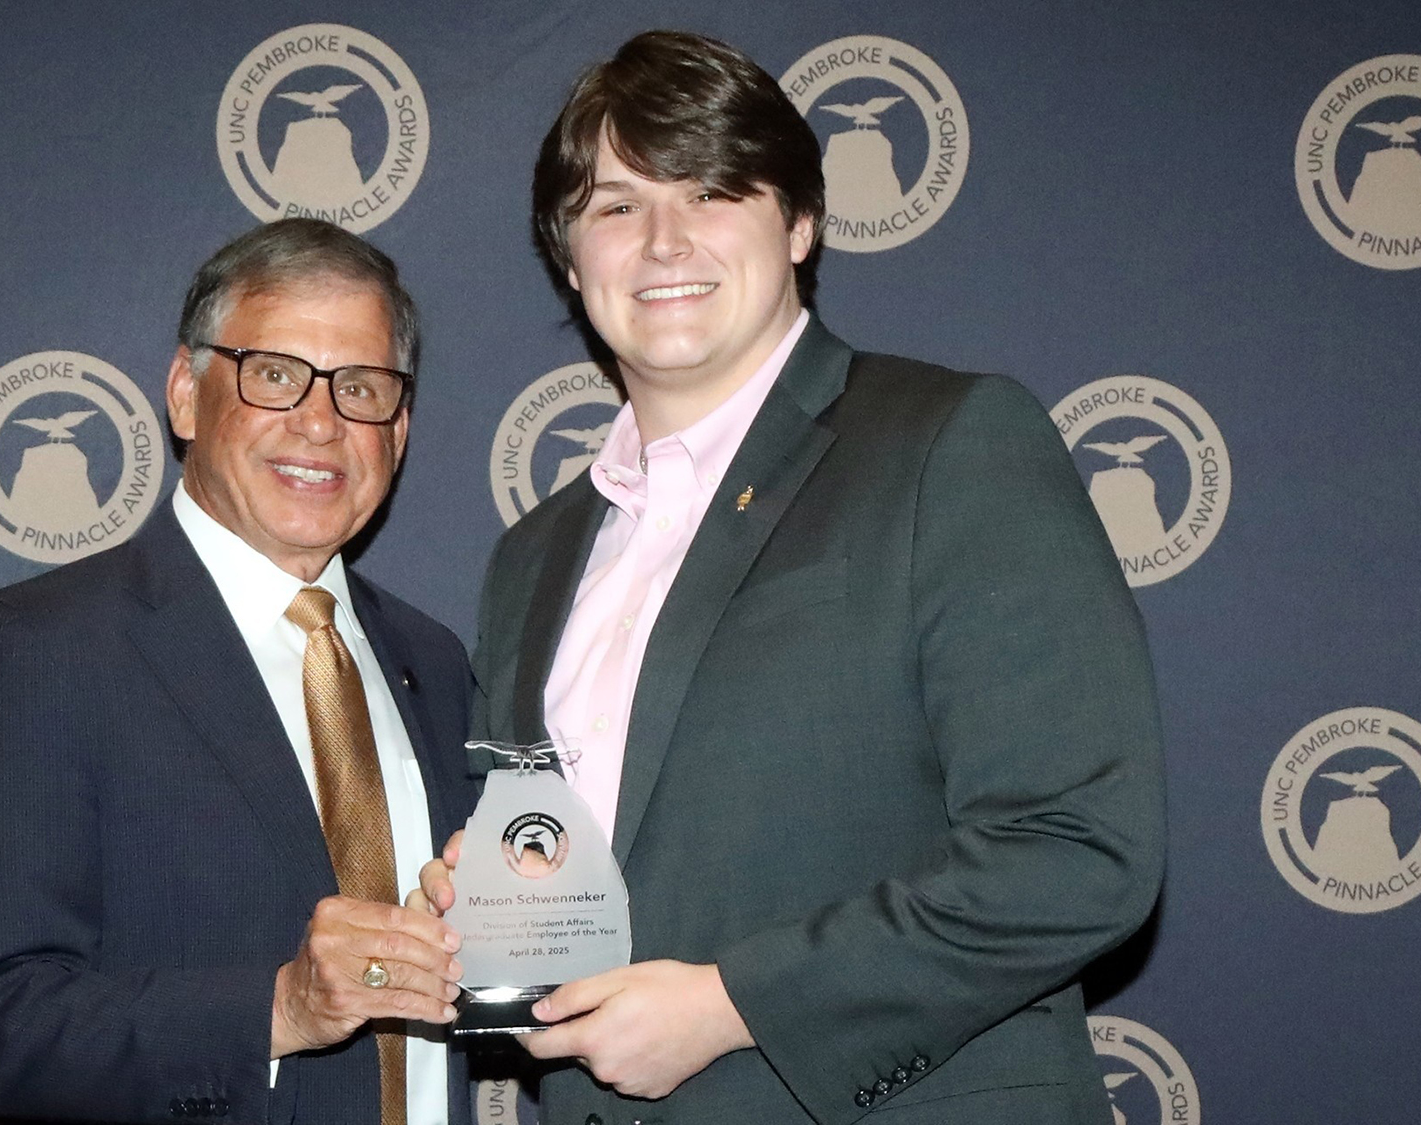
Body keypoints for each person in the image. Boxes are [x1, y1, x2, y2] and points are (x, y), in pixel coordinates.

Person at [418, 30, 1165, 1125]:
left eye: (713, 190)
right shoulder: (531, 558)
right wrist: (491, 897)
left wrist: (733, 1004)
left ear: (800, 224)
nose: (663, 240)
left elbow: (1077, 850)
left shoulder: (946, 444)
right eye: (616, 205)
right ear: (569, 257)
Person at [0, 218, 474, 1125]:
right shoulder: (36, 649)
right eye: (275, 374)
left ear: (400, 428)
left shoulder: (436, 660)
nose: (321, 421)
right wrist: (280, 1008)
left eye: (362, 387)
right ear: (186, 393)